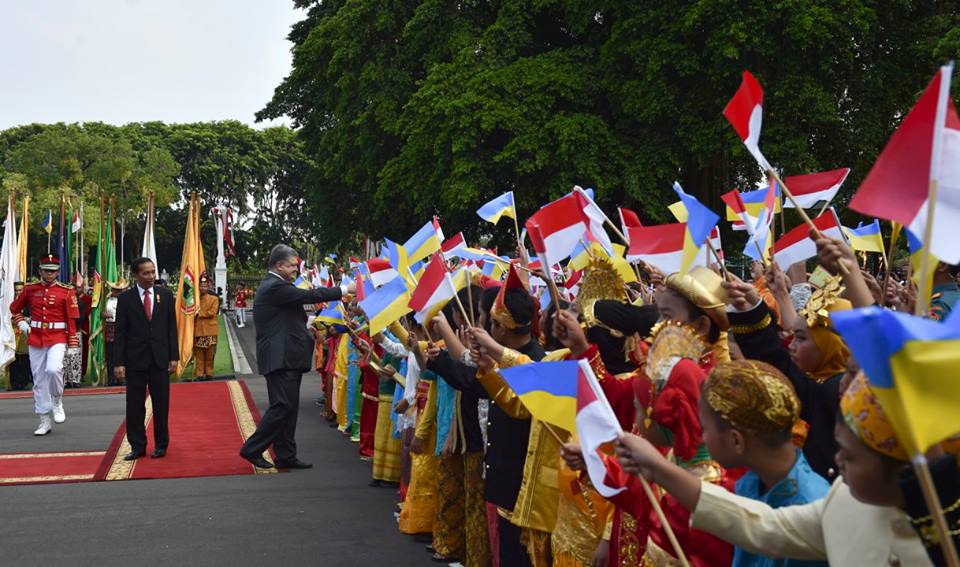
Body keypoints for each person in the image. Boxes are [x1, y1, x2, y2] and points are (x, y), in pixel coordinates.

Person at [614, 371, 960, 566]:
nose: (837, 462)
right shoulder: (845, 500)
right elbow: (765, 526)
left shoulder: (942, 544)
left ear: (898, 465)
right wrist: (658, 468)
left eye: (851, 456)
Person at [696, 359, 829, 567]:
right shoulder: (752, 482)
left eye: (704, 428)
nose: (702, 438)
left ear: (736, 440)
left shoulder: (810, 513)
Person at [239, 244, 353, 470]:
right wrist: (344, 290)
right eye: (292, 265)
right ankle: (252, 448)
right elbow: (310, 295)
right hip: (280, 357)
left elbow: (289, 315)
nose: (296, 270)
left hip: (287, 356)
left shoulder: (278, 286)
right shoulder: (274, 286)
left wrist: (308, 324)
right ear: (279, 266)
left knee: (288, 408)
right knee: (282, 406)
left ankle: (286, 455)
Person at [114, 257, 179, 460]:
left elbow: (171, 328)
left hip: (160, 358)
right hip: (135, 360)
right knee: (134, 405)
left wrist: (174, 357)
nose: (151, 276)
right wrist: (118, 362)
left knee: (161, 404)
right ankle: (137, 446)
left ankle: (161, 445)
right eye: (146, 273)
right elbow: (120, 333)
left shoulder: (166, 296)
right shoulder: (125, 299)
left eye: (153, 272)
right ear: (136, 275)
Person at [10, 254, 80, 435]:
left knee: (54, 369)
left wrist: (73, 343)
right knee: (39, 379)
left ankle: (57, 399)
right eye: (46, 271)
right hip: (36, 337)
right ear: (40, 270)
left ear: (57, 272)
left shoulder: (66, 291)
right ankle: (44, 420)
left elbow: (71, 319)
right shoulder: (30, 289)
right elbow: (14, 308)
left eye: (53, 271)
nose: (50, 274)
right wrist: (21, 323)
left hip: (57, 336)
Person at [8, 281, 34, 391]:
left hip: (24, 334)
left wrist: (26, 320)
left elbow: (33, 316)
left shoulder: (29, 302)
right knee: (13, 359)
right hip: (12, 333)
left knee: (24, 359)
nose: (18, 292)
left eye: (20, 290)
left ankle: (24, 381)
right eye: (16, 290)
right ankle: (14, 382)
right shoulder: (9, 302)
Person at [194, 272, 220, 381]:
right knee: (199, 354)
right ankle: (199, 373)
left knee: (210, 354)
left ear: (208, 286)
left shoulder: (214, 298)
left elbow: (213, 312)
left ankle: (209, 373)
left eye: (205, 286)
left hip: (210, 330)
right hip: (198, 330)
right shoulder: (195, 299)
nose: (203, 288)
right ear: (198, 286)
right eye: (201, 285)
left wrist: (200, 313)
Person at [104, 279, 129, 386]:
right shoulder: (107, 300)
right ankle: (111, 378)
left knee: (124, 353)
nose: (114, 291)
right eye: (114, 289)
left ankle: (124, 377)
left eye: (118, 290)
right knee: (111, 355)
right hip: (110, 328)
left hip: (123, 328)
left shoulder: (127, 300)